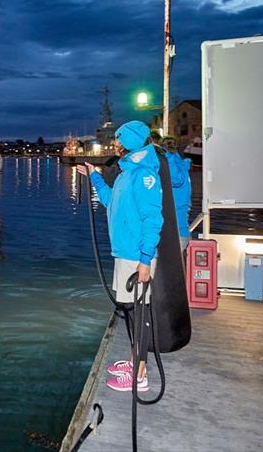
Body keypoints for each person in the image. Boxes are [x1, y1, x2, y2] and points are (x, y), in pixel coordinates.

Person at [77, 120, 163, 392]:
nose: (116, 143)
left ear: (132, 141)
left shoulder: (144, 174)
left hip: (136, 254)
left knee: (140, 312)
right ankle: (133, 359)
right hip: (124, 252)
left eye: (119, 139)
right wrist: (94, 176)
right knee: (128, 308)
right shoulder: (128, 172)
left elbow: (153, 218)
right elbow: (109, 201)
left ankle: (140, 375)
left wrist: (146, 259)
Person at [161, 137, 192, 255]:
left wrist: (166, 157)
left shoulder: (172, 166)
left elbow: (175, 179)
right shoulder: (182, 166)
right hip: (180, 230)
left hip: (176, 233)